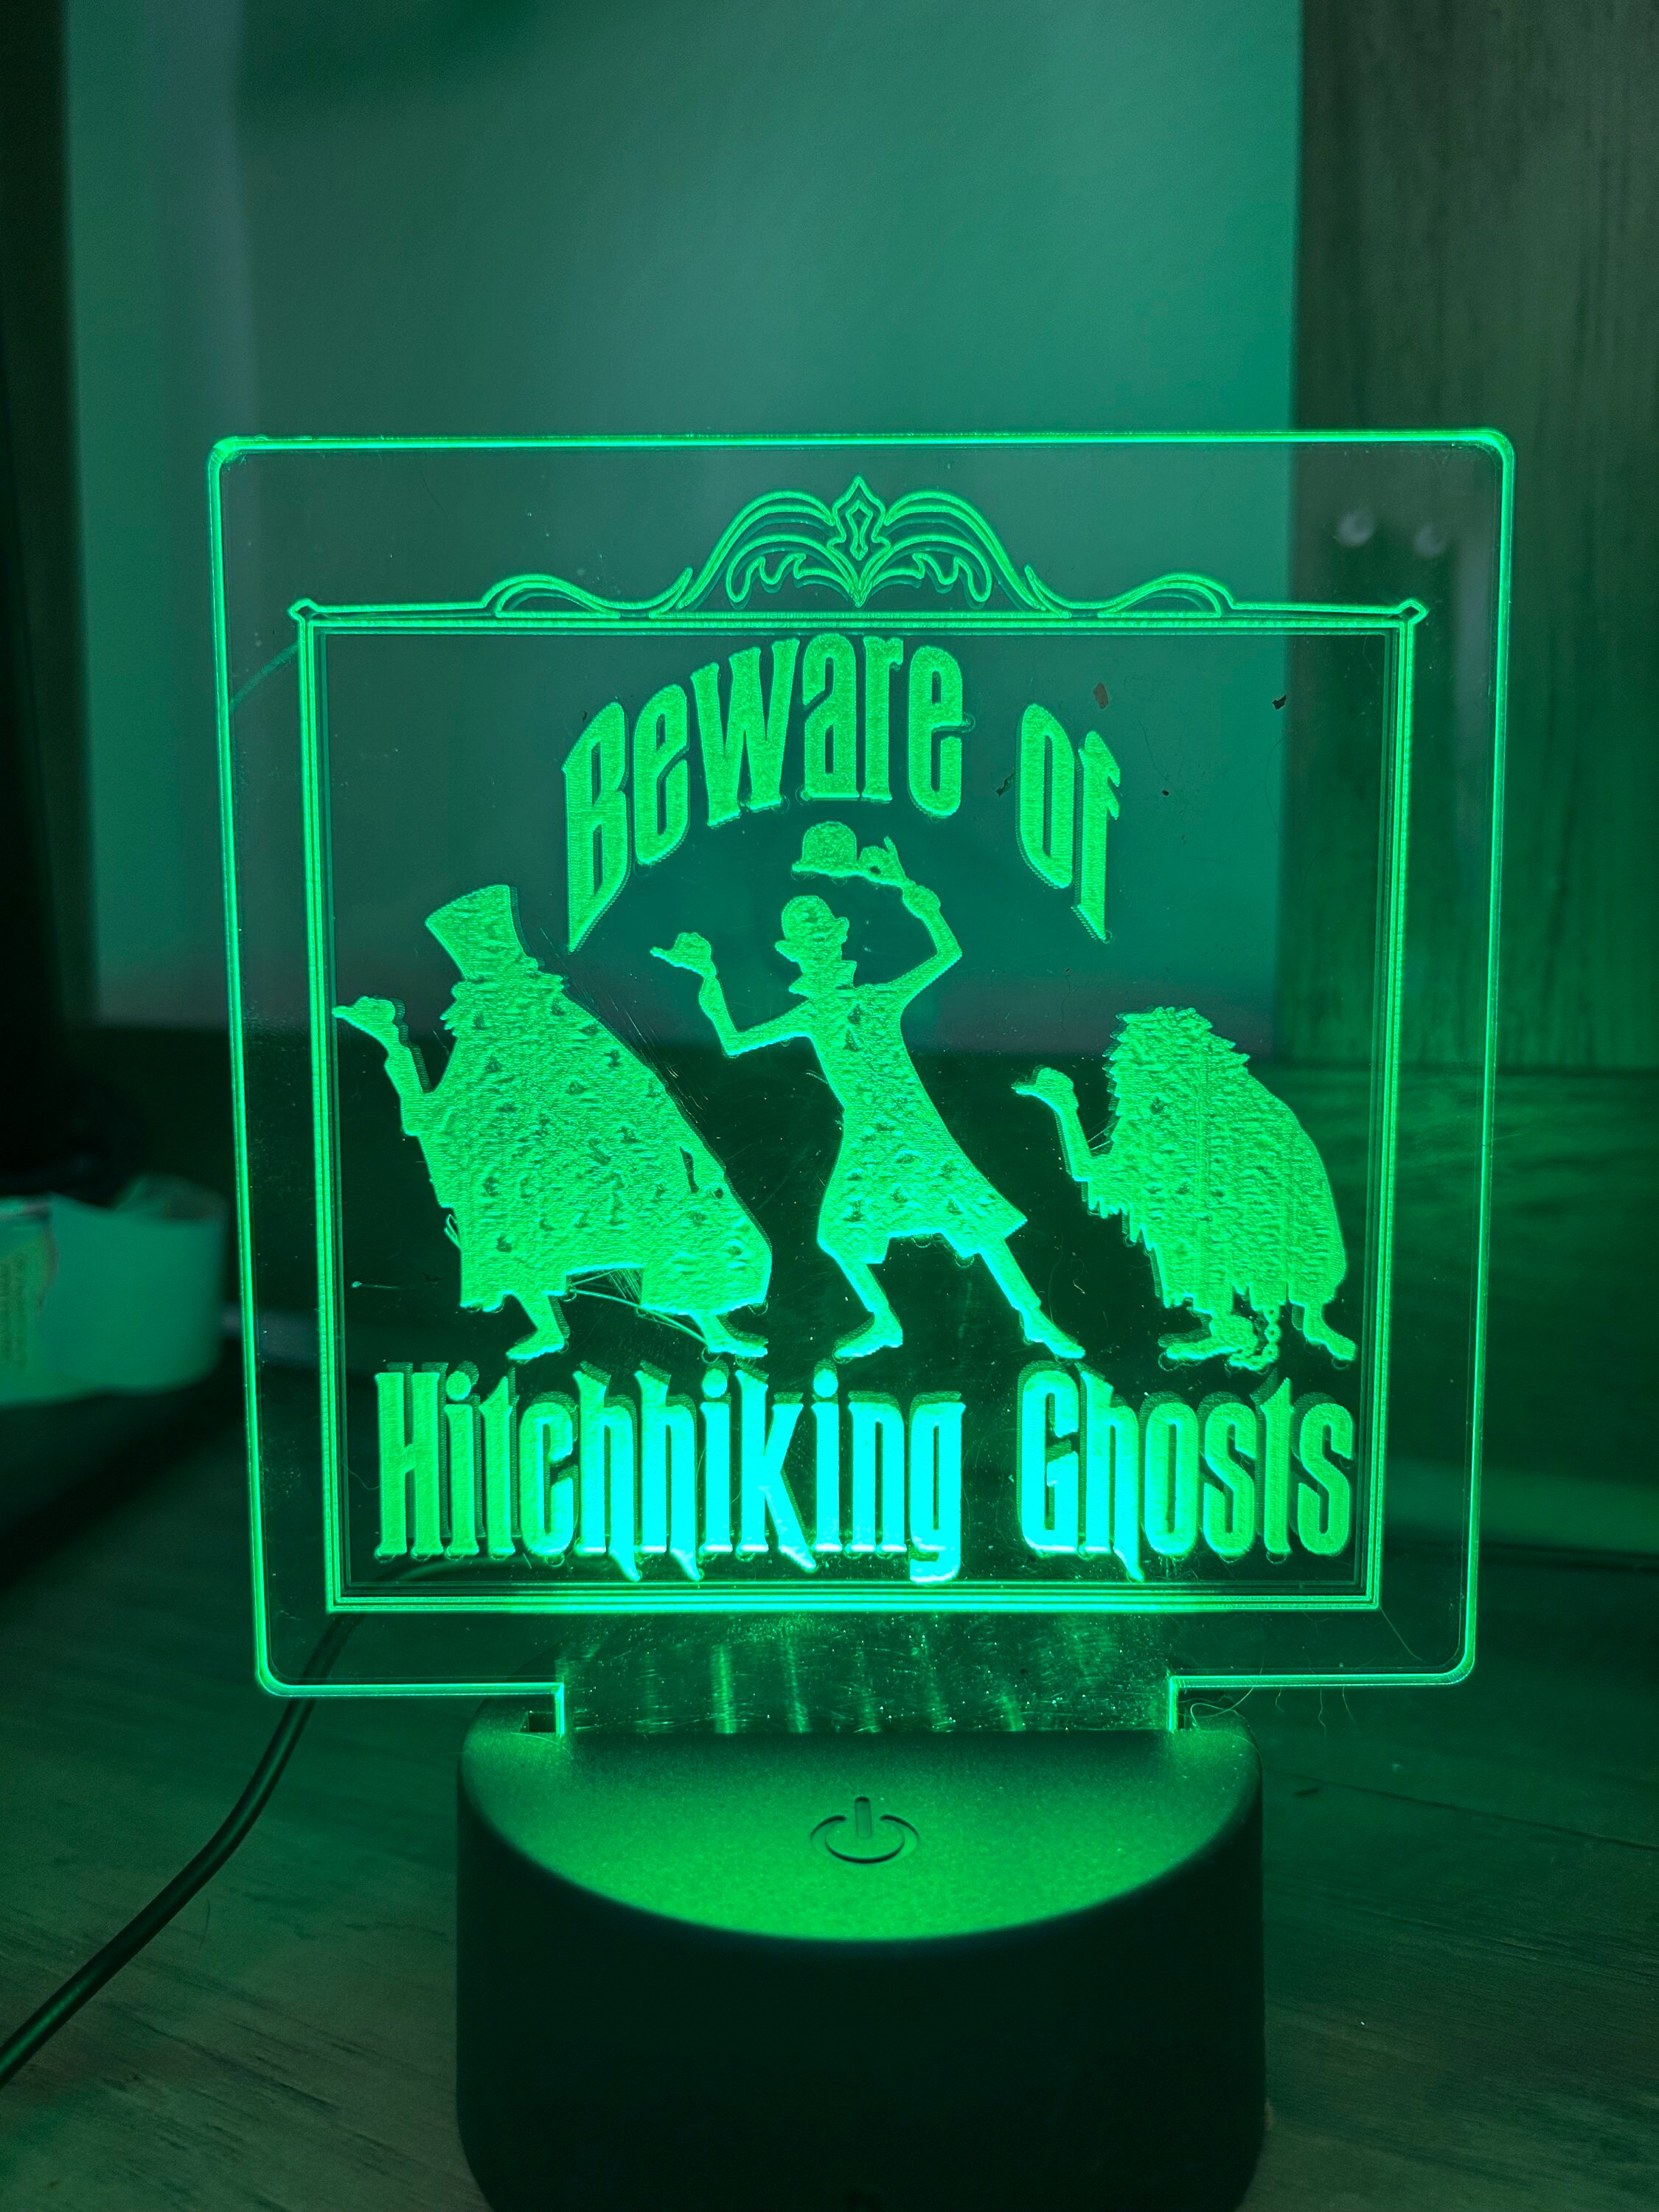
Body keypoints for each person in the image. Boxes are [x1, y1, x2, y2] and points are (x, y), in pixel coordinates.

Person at [655, 823, 1081, 1361]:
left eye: (819, 924)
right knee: (841, 1233)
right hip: (868, 1134)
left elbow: (947, 954)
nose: (814, 936)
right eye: (802, 931)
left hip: (914, 1125)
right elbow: (736, 1041)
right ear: (791, 951)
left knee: (973, 1220)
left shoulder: (880, 997)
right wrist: (708, 976)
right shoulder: (810, 1014)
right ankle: (885, 1321)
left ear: (839, 932)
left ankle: (1034, 1318)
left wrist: (918, 899)